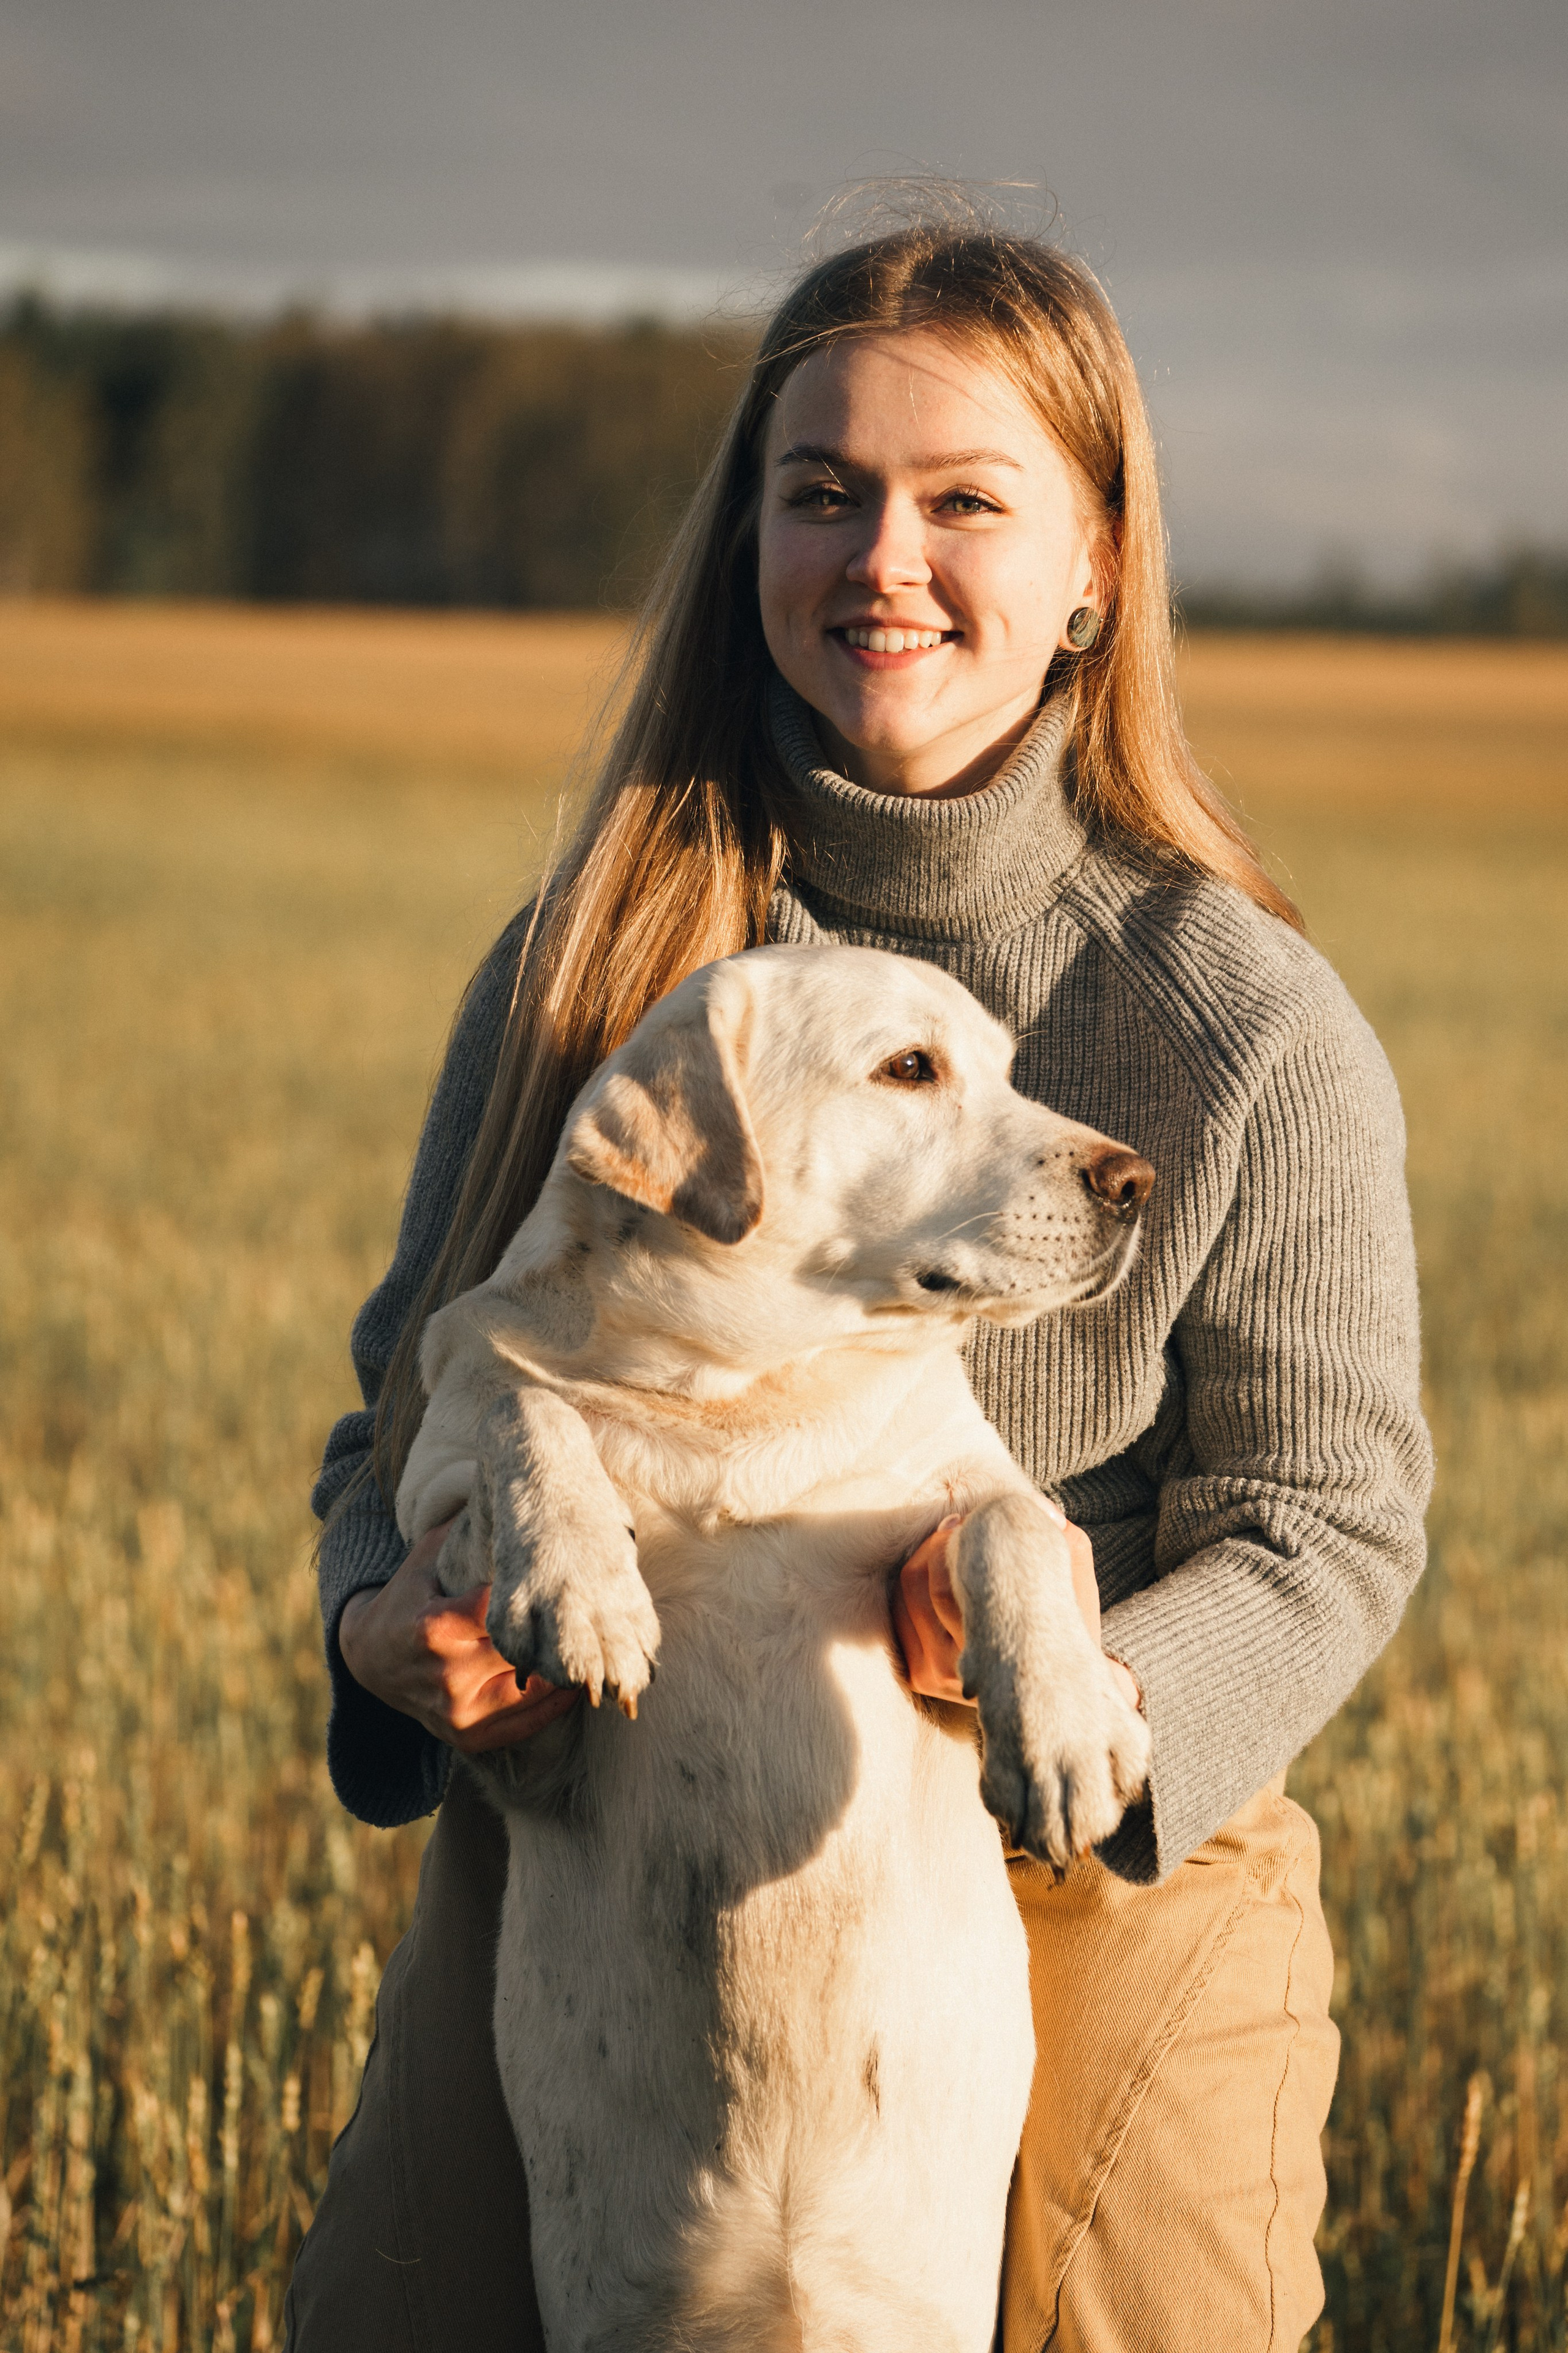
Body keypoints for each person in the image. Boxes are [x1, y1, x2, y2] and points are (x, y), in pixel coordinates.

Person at [286, 211, 1431, 2353]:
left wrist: (1074, 1701)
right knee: (394, 2317)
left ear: (1097, 564)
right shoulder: (591, 974)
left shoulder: (1246, 1026)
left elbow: (1327, 1525)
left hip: (1078, 1836)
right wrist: (383, 1630)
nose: (883, 555)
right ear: (752, 544)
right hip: (613, 1807)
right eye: (823, 495)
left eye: (963, 501)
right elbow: (398, 1413)